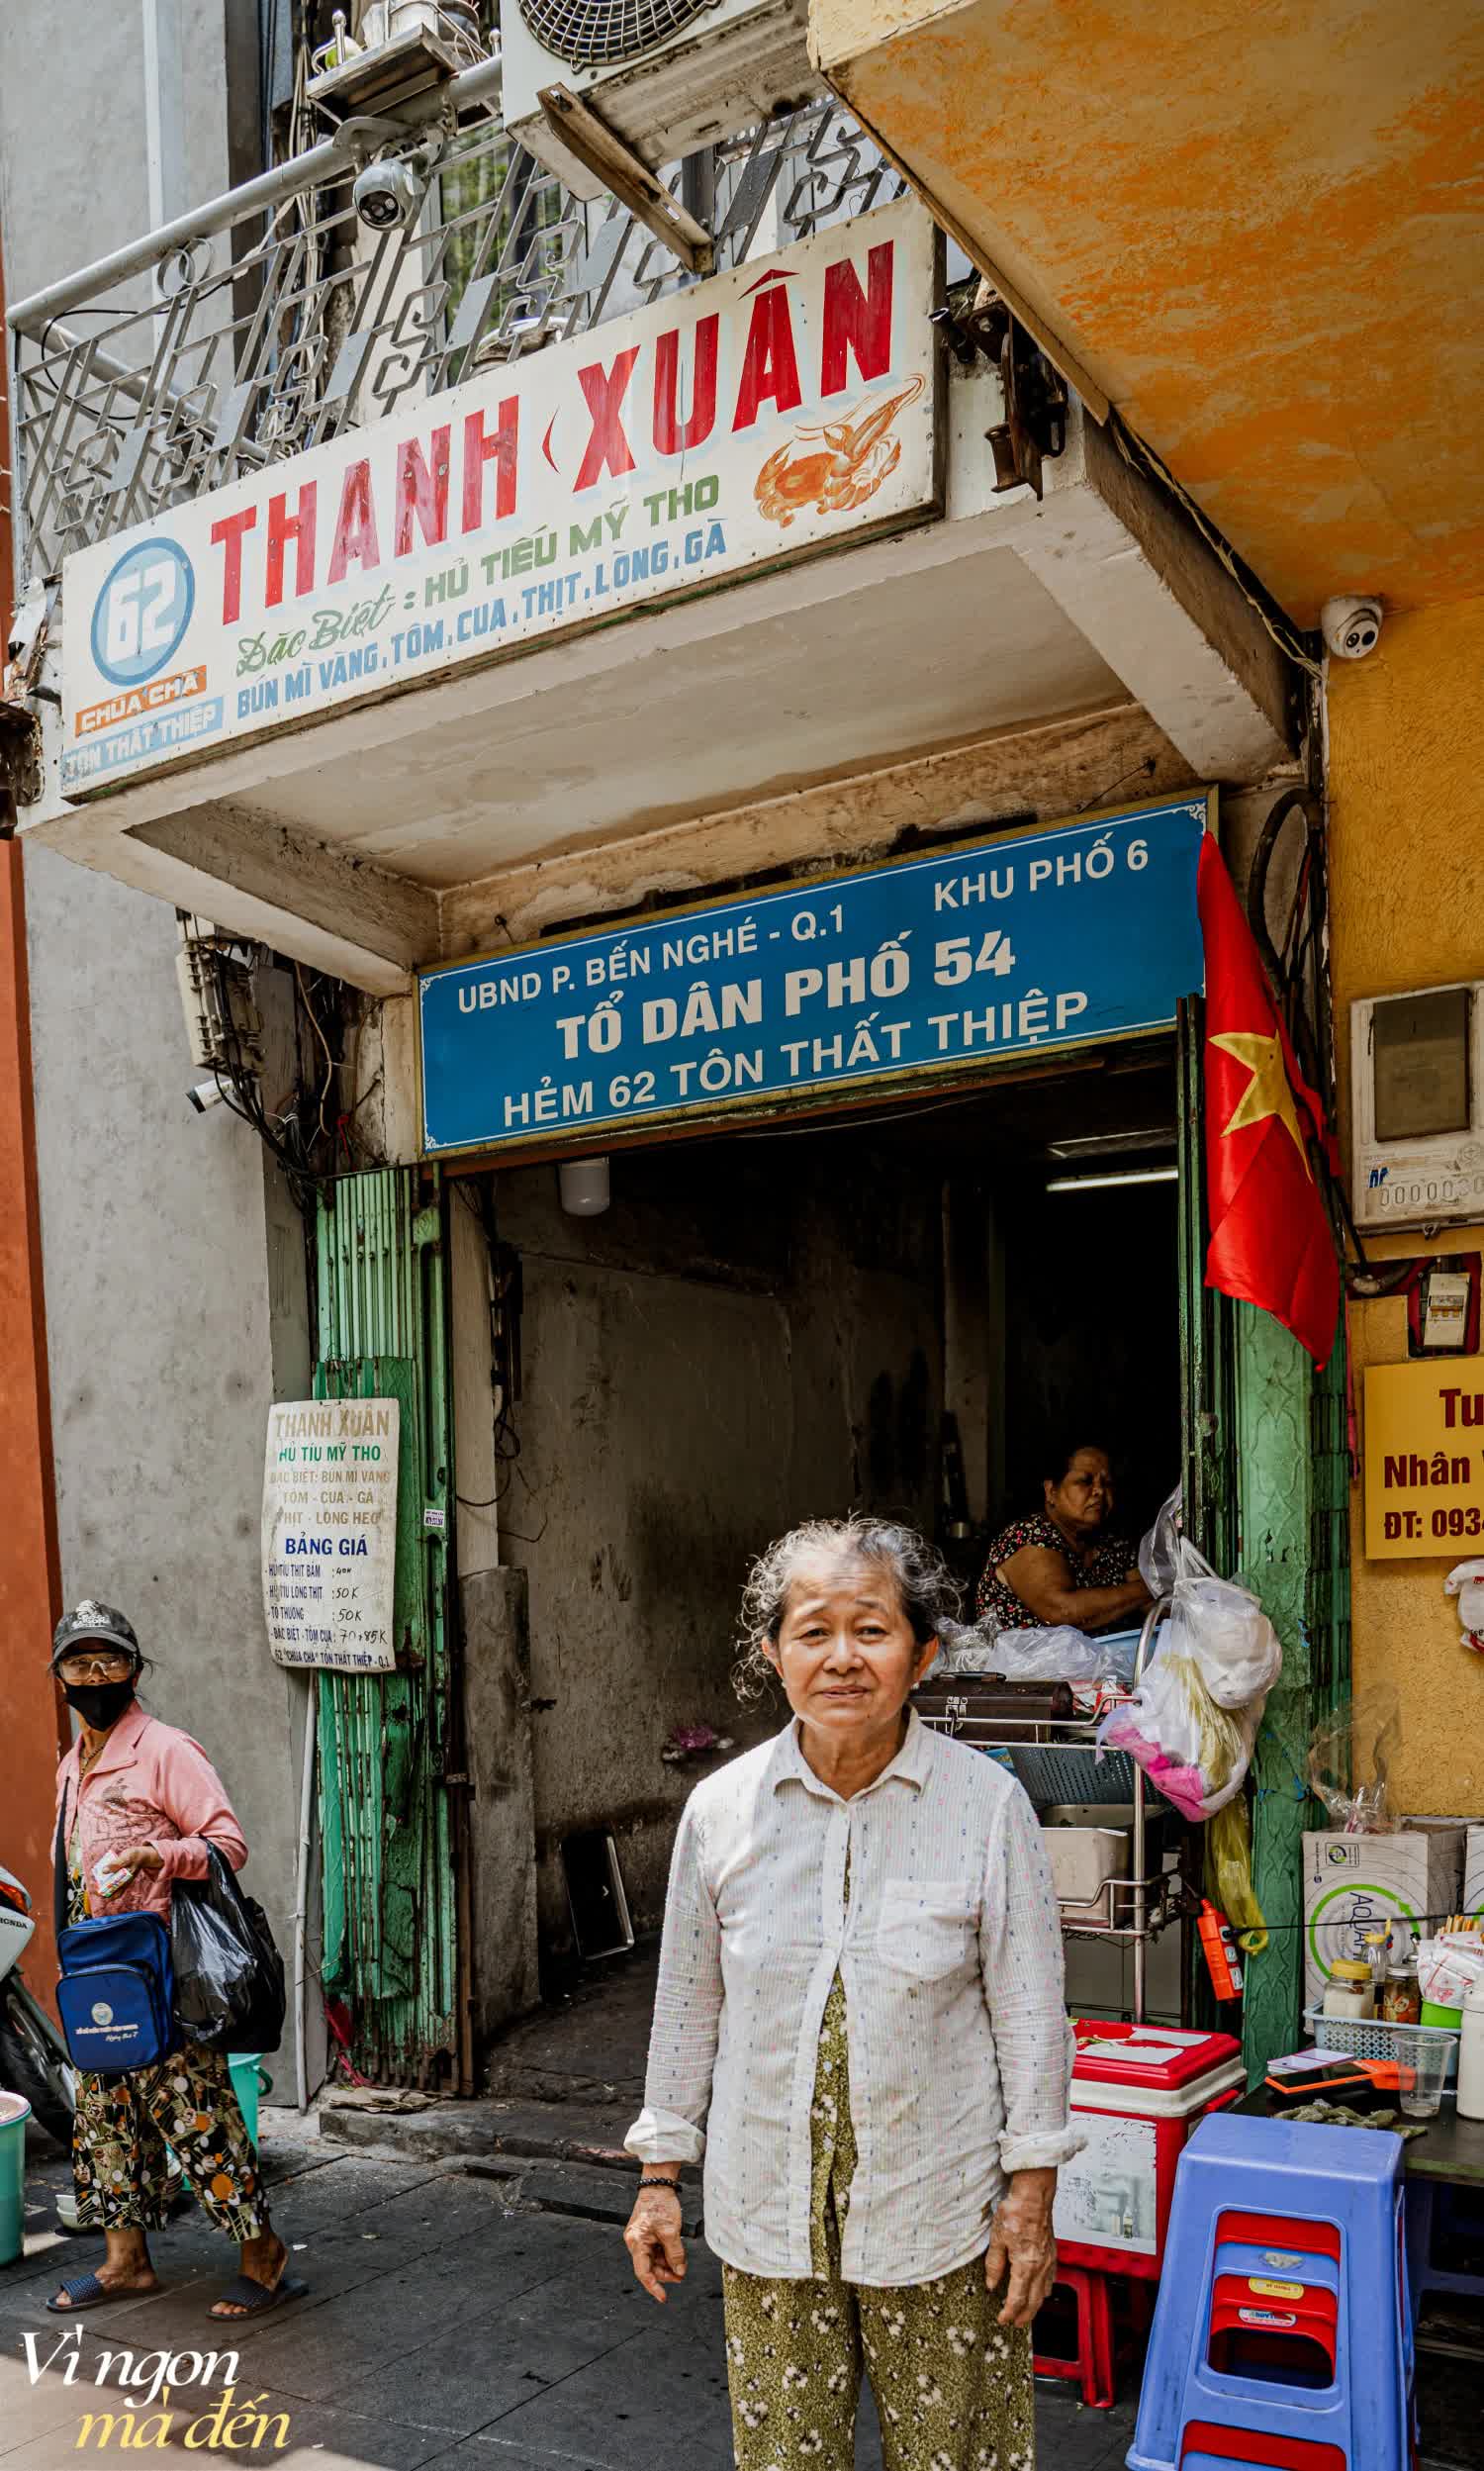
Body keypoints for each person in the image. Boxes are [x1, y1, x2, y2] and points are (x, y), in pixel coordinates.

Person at [622, 1516, 1081, 2471]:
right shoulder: (721, 1812)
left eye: (871, 1629)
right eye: (813, 1630)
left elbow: (1032, 2018)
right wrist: (660, 2179)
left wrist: (1029, 2200)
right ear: (772, 1654)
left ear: (923, 1655)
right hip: (769, 2223)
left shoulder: (986, 1807)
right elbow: (685, 2007)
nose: (842, 1657)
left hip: (942, 2220)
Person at [45, 1600, 304, 2323]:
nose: (95, 1675)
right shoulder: (72, 1764)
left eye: (110, 1660)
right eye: (79, 1662)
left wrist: (159, 1853)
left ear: (135, 1668)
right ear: (59, 1677)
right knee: (103, 2118)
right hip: (101, 1974)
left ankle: (264, 2254)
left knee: (198, 2114)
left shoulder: (164, 1748)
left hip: (164, 1973)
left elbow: (228, 1842)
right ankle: (125, 2261)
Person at [976, 1440, 1151, 1636]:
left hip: (1100, 1662)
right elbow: (1062, 1611)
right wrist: (1153, 1587)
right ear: (1051, 1491)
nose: (1099, 1491)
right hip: (1028, 1665)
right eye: (1085, 1481)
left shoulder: (1113, 1543)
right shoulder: (1028, 1535)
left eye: (1107, 1483)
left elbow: (1155, 1607)